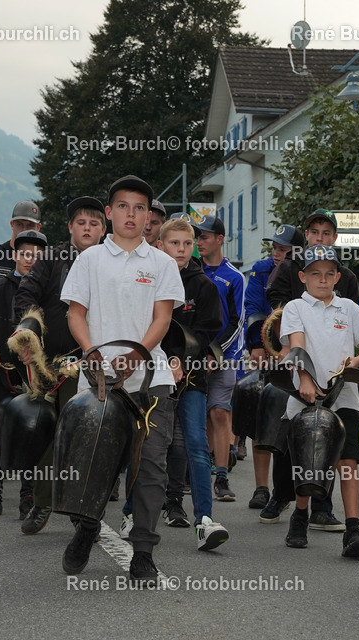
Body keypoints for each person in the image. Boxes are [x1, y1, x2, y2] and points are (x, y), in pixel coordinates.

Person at [60, 175, 184, 585]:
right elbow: (75, 312)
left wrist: (138, 354)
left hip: (152, 379)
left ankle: (144, 551)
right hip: (97, 379)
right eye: (123, 206)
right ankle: (86, 527)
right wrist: (90, 350)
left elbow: (163, 317)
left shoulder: (163, 263)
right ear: (109, 212)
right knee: (95, 462)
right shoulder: (90, 259)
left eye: (139, 208)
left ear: (149, 217)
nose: (131, 214)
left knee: (150, 466)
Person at [12, 196, 107, 534]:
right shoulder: (51, 259)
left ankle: (81, 513)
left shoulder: (111, 263)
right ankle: (40, 498)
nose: (87, 228)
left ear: (103, 229)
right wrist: (28, 339)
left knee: (79, 432)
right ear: (70, 228)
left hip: (92, 363)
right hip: (47, 363)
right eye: (81, 223)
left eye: (94, 223)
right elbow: (25, 296)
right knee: (39, 430)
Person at [262, 209, 359, 530]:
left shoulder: (347, 277)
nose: (320, 237)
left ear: (335, 237)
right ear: (306, 235)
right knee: (287, 432)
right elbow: (274, 306)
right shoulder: (288, 268)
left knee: (330, 438)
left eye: (327, 233)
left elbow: (351, 326)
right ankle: (281, 494)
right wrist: (283, 346)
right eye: (314, 232)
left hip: (331, 372)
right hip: (292, 360)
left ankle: (321, 506)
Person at [277, 245, 359, 555]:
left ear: (338, 277)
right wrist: (305, 379)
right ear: (303, 276)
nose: (323, 279)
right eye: (316, 274)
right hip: (307, 396)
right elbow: (296, 347)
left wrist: (355, 362)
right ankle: (301, 515)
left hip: (344, 396)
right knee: (310, 462)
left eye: (329, 274)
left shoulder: (348, 307)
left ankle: (353, 529)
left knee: (348, 461)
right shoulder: (296, 307)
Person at [157, 217, 229, 550]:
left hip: (193, 375)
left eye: (187, 244)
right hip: (152, 374)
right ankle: (131, 513)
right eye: (174, 243)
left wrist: (182, 361)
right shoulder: (150, 279)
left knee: (197, 445)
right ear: (161, 245)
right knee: (148, 446)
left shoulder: (204, 286)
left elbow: (207, 331)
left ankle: (205, 521)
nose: (182, 250)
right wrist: (163, 362)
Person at [0, 229, 48, 518]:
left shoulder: (47, 291)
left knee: (34, 432)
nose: (29, 259)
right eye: (24, 253)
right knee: (2, 432)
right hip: (2, 370)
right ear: (14, 255)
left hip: (36, 373)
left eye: (36, 255)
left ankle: (27, 495)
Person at [243, 224, 304, 512]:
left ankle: (299, 489)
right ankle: (261, 487)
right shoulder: (260, 269)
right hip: (268, 349)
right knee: (262, 414)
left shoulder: (305, 270)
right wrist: (257, 344)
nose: (278, 253)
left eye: (284, 249)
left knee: (295, 422)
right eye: (275, 248)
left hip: (300, 353)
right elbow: (253, 306)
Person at [194, 214, 244, 503]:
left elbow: (238, 322)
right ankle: (194, 472)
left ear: (220, 239)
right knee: (196, 415)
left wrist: (217, 354)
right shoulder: (190, 271)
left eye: (205, 237)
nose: (199, 242)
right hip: (195, 354)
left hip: (225, 355)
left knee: (219, 412)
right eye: (197, 237)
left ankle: (222, 477)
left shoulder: (234, 276)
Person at [0, 200, 42, 286]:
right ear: (12, 224)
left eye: (30, 225)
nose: (24, 230)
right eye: (19, 224)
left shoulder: (45, 261)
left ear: (38, 227)